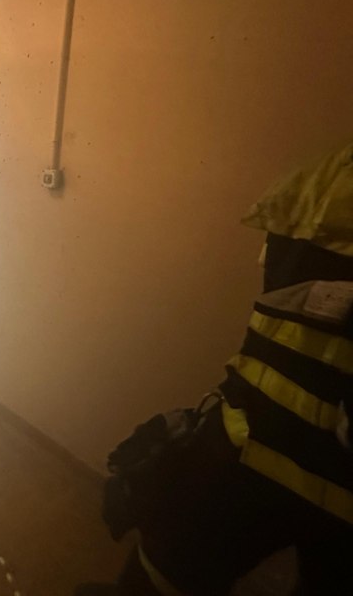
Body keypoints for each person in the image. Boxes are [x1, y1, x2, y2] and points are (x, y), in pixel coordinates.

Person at [77, 142, 353, 595]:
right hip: (284, 455)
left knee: (161, 574)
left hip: (249, 440)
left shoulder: (317, 180)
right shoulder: (322, 178)